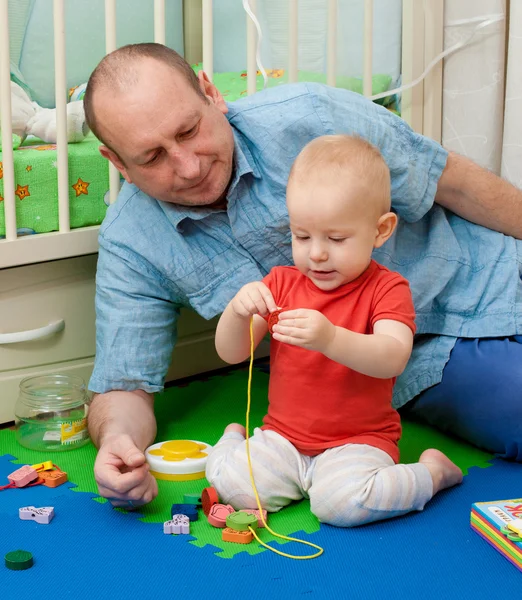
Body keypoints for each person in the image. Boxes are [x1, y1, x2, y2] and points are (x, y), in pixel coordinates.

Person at [83, 43, 522, 510]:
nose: (189, 167)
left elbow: (452, 180)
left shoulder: (310, 114)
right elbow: (123, 382)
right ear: (118, 164)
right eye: (152, 158)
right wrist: (117, 444)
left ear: (211, 94)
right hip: (414, 361)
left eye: (190, 131)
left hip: (485, 270)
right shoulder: (131, 240)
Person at [205, 135, 463, 526]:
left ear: (381, 231)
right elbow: (232, 352)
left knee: (341, 505)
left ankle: (432, 473)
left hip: (357, 443)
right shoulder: (281, 284)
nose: (317, 253)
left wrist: (330, 339)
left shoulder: (387, 289)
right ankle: (233, 439)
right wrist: (237, 313)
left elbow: (392, 356)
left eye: (337, 239)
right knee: (233, 486)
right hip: (283, 440)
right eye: (301, 236)